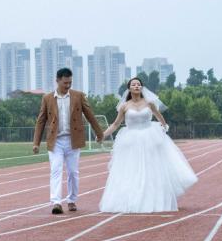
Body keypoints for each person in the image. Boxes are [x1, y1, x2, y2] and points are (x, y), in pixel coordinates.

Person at [99, 77, 198, 213]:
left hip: (150, 137)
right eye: (133, 85)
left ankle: (154, 199)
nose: (136, 86)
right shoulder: (124, 106)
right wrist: (103, 135)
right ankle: (132, 199)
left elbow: (159, 116)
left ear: (141, 87)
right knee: (132, 170)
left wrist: (164, 127)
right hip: (131, 140)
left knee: (152, 168)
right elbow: (116, 124)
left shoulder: (149, 103)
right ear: (129, 88)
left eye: (138, 84)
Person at [32, 67, 104, 214]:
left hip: (73, 140)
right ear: (57, 81)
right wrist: (36, 143)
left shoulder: (78, 96)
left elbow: (90, 115)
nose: (68, 85)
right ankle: (56, 202)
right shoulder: (47, 98)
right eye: (65, 83)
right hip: (55, 141)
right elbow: (41, 121)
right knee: (56, 170)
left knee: (73, 172)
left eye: (70, 82)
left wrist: (99, 133)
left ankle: (71, 200)